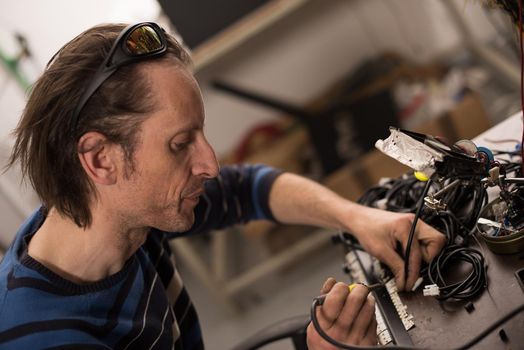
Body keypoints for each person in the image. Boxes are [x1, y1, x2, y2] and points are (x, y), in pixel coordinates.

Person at [0, 22, 446, 349]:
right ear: (101, 159)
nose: (210, 164)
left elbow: (247, 188)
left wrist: (359, 217)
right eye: (180, 144)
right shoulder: (44, 340)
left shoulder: (120, 213)